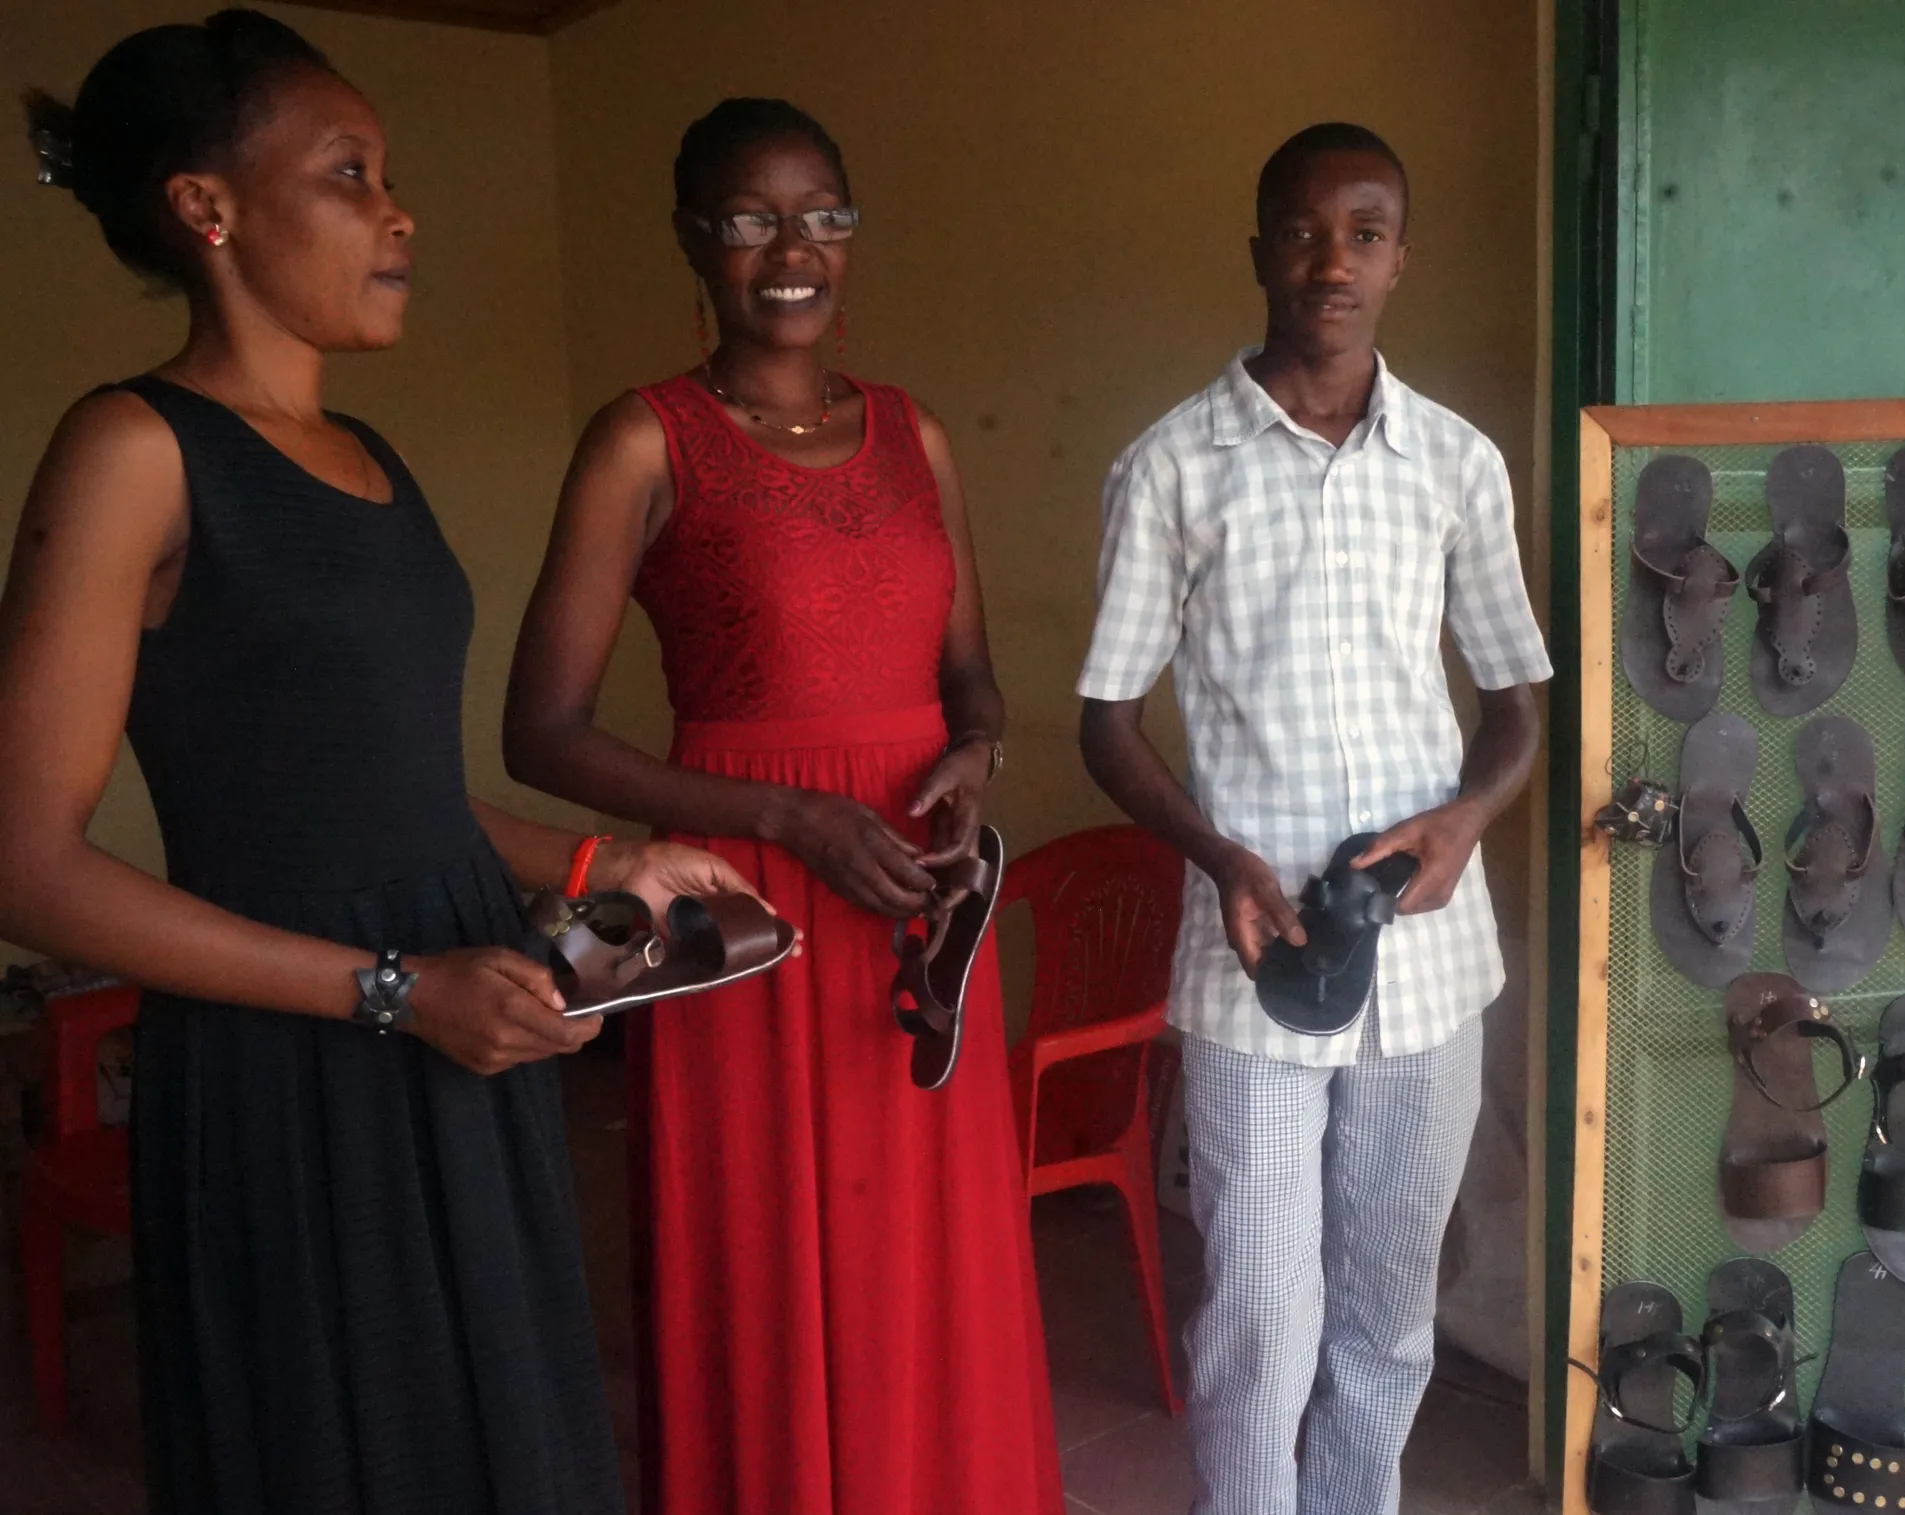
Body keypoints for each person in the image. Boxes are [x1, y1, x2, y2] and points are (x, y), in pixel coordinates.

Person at [3, 14, 765, 1512]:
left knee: (494, 1435)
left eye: (392, 174)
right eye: (350, 173)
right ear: (205, 208)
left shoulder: (370, 456)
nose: (399, 211)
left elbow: (385, 796)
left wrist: (608, 865)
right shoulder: (132, 450)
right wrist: (389, 988)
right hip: (292, 1060)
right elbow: (26, 863)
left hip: (455, 1030)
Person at [502, 98, 1060, 1515]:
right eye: (750, 220)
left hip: (917, 902)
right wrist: (788, 817)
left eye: (822, 215)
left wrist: (972, 759)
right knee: (767, 1247)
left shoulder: (915, 434)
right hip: (743, 909)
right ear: (695, 238)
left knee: (928, 1240)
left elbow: (974, 680)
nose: (792, 250)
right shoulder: (647, 441)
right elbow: (542, 731)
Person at [1076, 122, 1552, 1515]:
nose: (1330, 261)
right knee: (1258, 1325)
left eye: (1363, 231)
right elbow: (1108, 716)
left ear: (1401, 257)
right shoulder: (1169, 469)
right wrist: (1218, 853)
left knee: (1390, 1313)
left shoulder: (1455, 464)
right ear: (1260, 252)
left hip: (1429, 968)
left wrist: (1469, 816)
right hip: (1253, 963)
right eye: (1300, 230)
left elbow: (1519, 694)